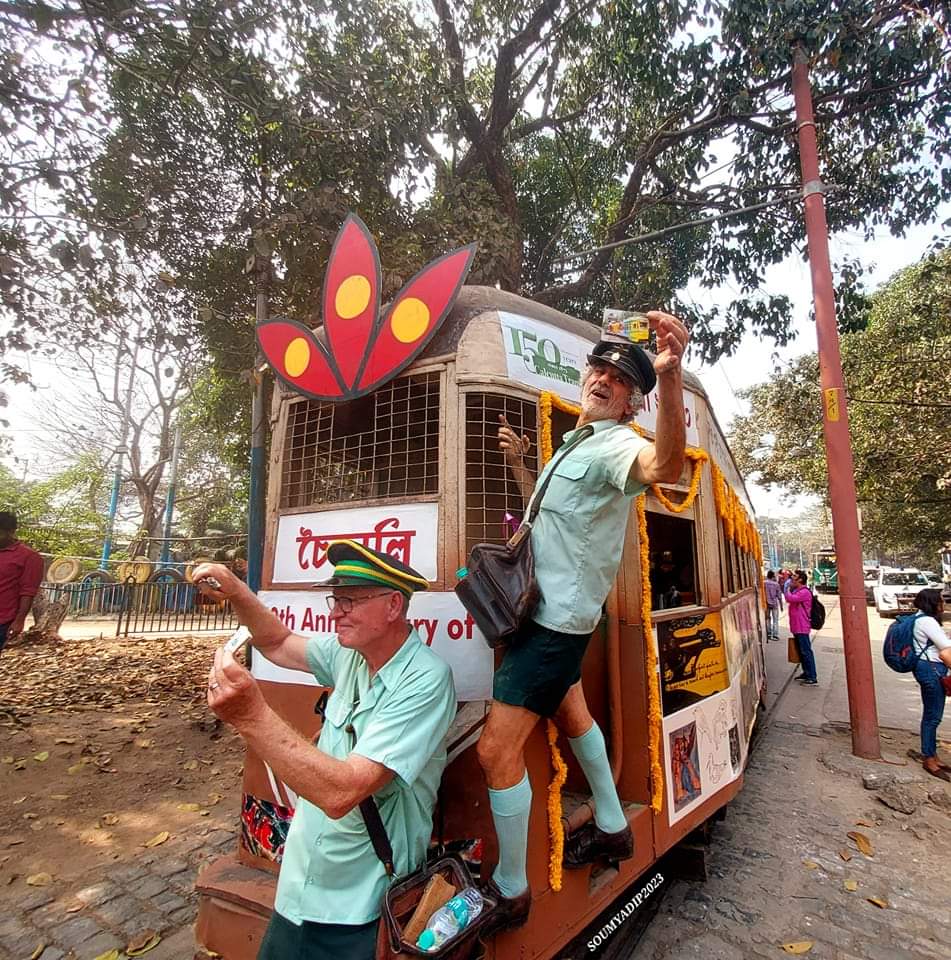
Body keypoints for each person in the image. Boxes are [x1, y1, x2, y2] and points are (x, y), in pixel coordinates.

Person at [480, 311, 689, 930]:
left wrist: (669, 380)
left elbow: (667, 470)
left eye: (621, 379)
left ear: (631, 403)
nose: (603, 379)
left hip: (552, 626)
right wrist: (524, 464)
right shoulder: (578, 444)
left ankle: (511, 890)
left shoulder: (620, 445)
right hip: (550, 617)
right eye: (599, 368)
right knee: (573, 713)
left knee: (495, 753)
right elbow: (546, 519)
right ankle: (614, 827)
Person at [194, 541, 456, 960]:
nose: (336, 611)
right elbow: (277, 642)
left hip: (359, 905)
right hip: (297, 887)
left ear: (393, 606)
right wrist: (239, 593)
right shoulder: (347, 654)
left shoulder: (425, 681)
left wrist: (250, 716)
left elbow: (344, 792)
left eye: (351, 600)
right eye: (336, 599)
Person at [908, 588, 951, 781]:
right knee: (933, 717)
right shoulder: (928, 621)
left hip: (926, 668)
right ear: (933, 603)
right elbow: (945, 650)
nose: (943, 604)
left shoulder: (920, 619)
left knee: (931, 715)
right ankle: (929, 757)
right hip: (932, 669)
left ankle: (932, 754)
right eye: (940, 601)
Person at [0, 512, 43, 657]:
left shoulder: (29, 557)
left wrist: (19, 620)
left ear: (11, 532)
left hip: (4, 619)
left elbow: (28, 591)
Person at [784, 569, 816, 684]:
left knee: (806, 651)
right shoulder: (798, 590)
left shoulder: (804, 592)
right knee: (801, 651)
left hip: (802, 626)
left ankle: (812, 676)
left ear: (801, 580)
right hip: (797, 626)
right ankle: (806, 672)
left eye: (794, 578)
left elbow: (790, 598)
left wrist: (786, 588)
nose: (792, 580)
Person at [764, 569, 783, 642]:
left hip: (766, 603)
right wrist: (781, 606)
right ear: (772, 576)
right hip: (774, 604)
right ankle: (775, 635)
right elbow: (779, 596)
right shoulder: (776, 584)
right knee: (775, 620)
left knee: (768, 619)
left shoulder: (764, 583)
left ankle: (768, 633)